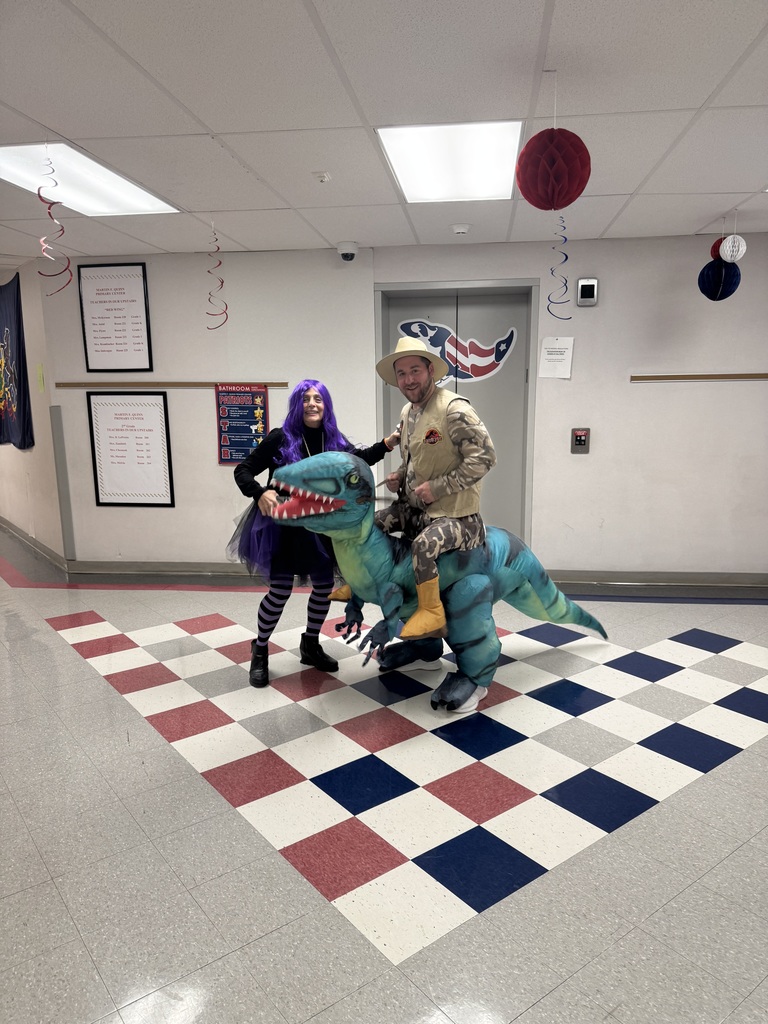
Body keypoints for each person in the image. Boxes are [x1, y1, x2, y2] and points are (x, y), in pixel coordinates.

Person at [232, 379, 400, 687]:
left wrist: (387, 444)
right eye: (306, 398)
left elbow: (359, 460)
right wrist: (259, 493)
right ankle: (260, 649)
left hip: (320, 527)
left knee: (323, 586)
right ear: (297, 404)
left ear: (326, 406)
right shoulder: (280, 438)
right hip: (283, 527)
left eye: (318, 398)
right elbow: (242, 470)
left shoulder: (333, 440)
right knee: (280, 591)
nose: (312, 403)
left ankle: (310, 644)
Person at [374, 337, 496, 639]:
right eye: (401, 374)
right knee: (370, 526)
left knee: (423, 546)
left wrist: (439, 488)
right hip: (414, 509)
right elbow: (416, 457)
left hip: (457, 517)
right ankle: (374, 588)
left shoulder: (455, 409)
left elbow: (485, 457)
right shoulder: (408, 412)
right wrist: (399, 476)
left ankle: (432, 614)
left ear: (430, 371)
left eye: (415, 370)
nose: (408, 379)